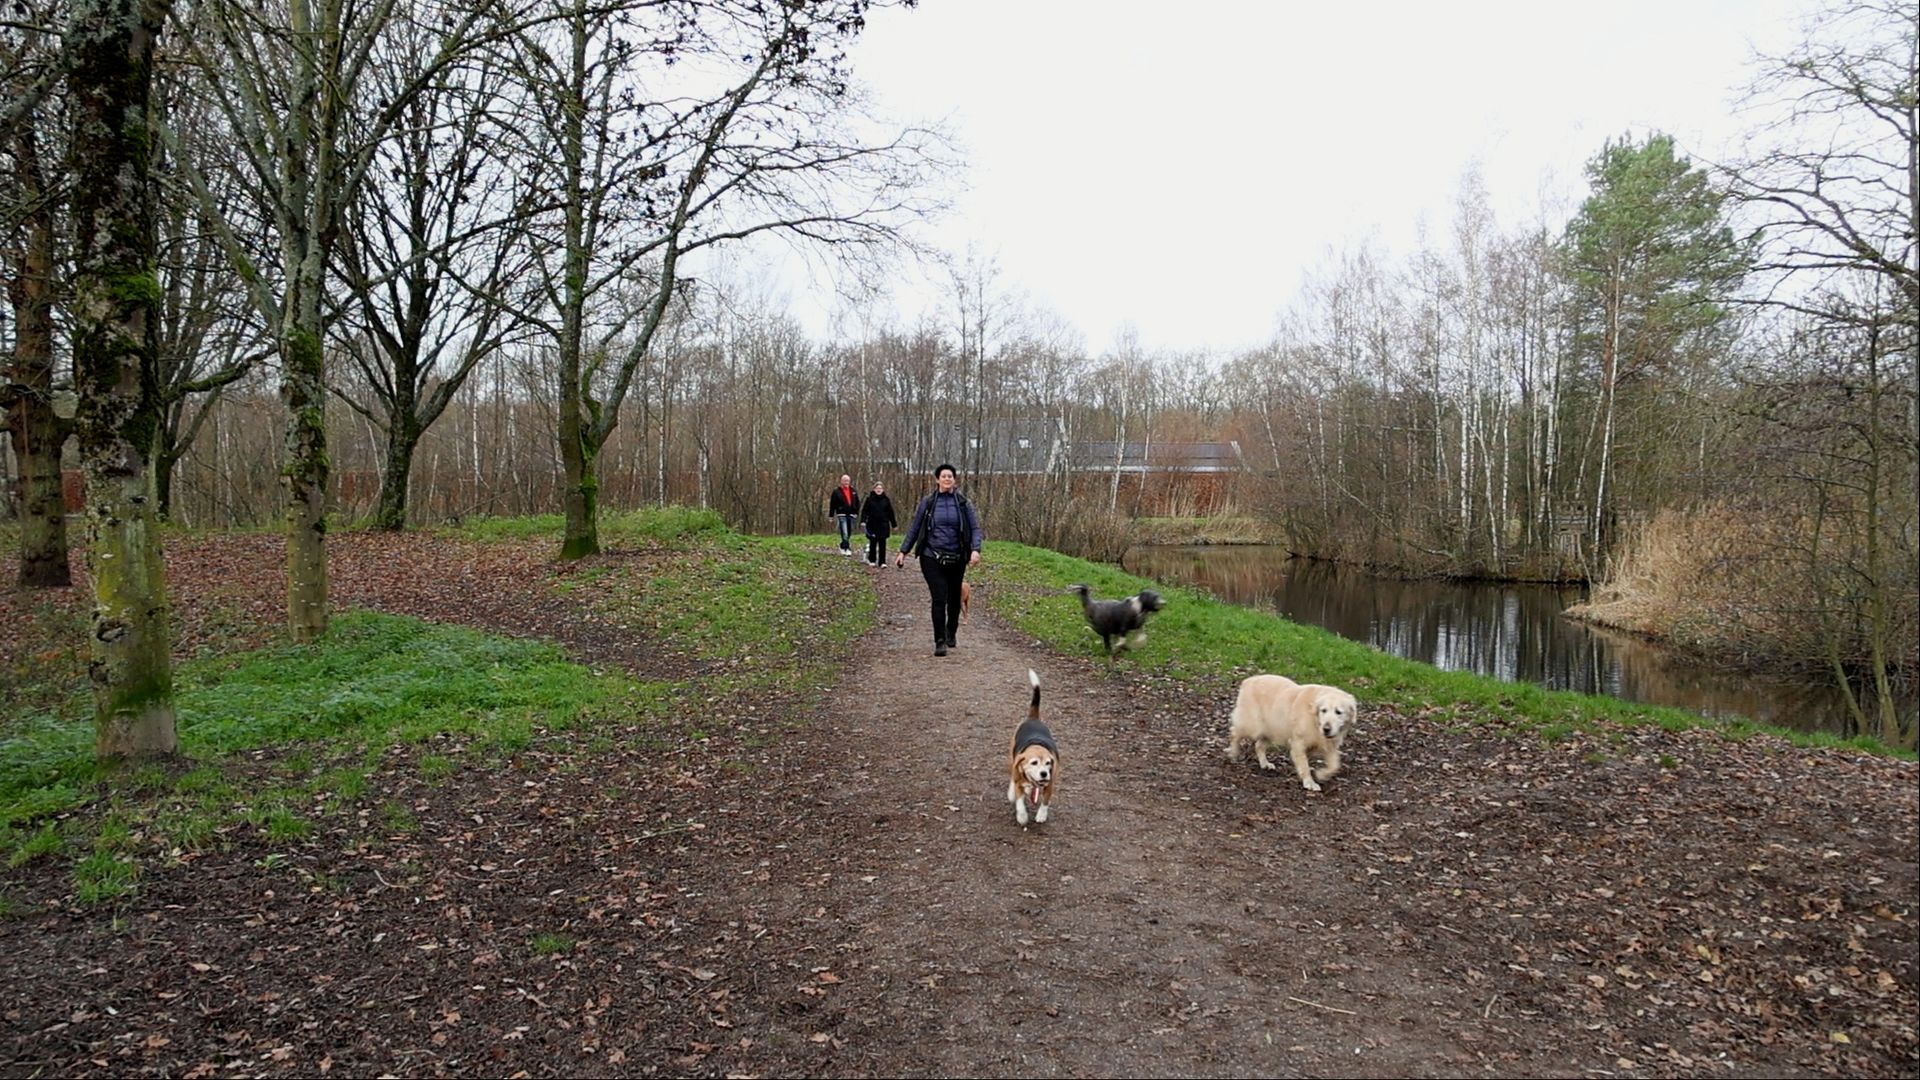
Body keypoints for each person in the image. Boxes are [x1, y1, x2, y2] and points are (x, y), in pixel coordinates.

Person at [895, 463, 981, 656]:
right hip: (931, 556)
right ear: (937, 480)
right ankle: (939, 640)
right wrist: (903, 551)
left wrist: (975, 550)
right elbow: (915, 527)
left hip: (957, 557)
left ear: (954, 480)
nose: (947, 479)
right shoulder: (928, 502)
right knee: (939, 597)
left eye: (950, 476)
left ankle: (951, 631)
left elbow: (975, 528)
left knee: (953, 598)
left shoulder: (963, 503)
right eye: (943, 476)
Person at [859, 480, 896, 566]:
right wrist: (863, 521)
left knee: (882, 544)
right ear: (874, 489)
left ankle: (882, 562)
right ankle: (872, 560)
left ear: (883, 490)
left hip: (883, 524)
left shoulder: (886, 500)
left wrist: (894, 524)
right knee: (873, 543)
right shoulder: (869, 499)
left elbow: (891, 512)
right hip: (872, 524)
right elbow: (864, 511)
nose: (879, 490)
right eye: (877, 488)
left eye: (880, 488)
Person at [827, 473, 860, 557]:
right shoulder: (836, 492)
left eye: (847, 480)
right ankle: (846, 548)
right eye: (844, 480)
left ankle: (842, 545)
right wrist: (831, 515)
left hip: (851, 514)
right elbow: (832, 504)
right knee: (844, 531)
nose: (846, 482)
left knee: (849, 531)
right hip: (841, 514)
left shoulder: (853, 491)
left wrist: (856, 512)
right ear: (841, 481)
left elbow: (857, 502)